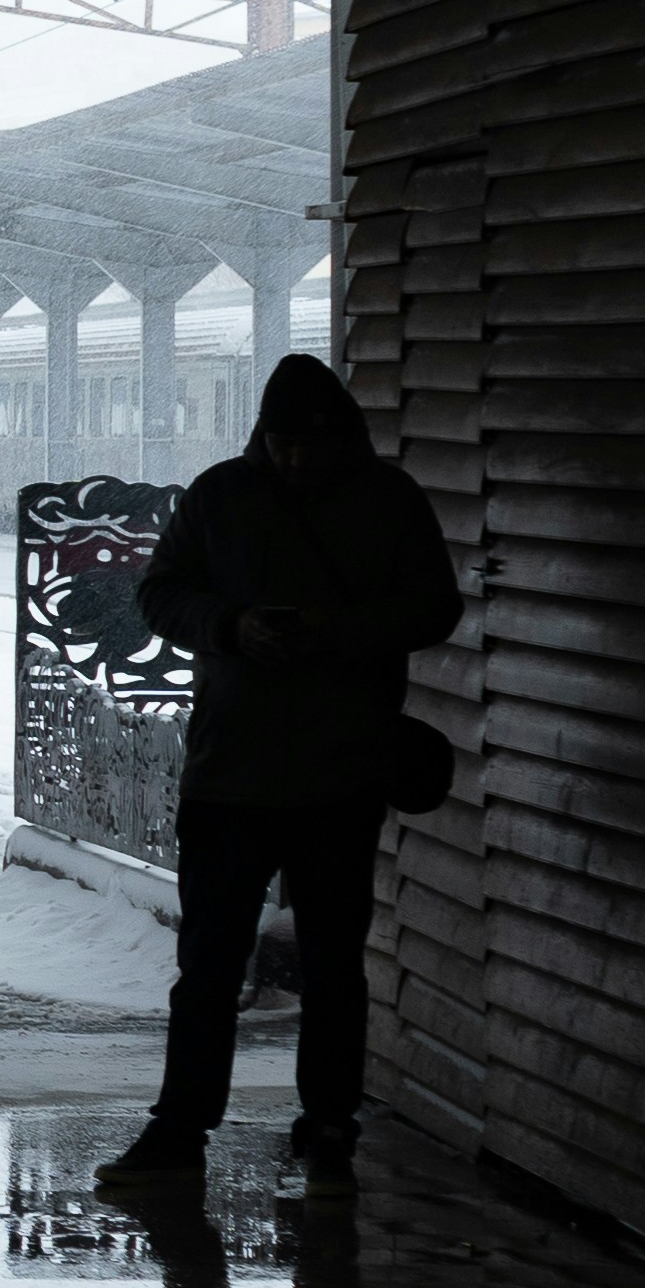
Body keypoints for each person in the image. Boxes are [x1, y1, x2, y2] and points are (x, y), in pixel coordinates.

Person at [93, 355, 462, 1204]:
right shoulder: (221, 494)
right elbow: (161, 595)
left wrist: (329, 632)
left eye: (311, 444)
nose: (295, 458)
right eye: (282, 442)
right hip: (240, 772)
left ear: (343, 436)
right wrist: (232, 625)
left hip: (329, 769)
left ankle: (321, 1125)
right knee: (219, 966)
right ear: (262, 434)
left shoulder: (385, 500)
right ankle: (186, 1128)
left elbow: (434, 608)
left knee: (323, 963)